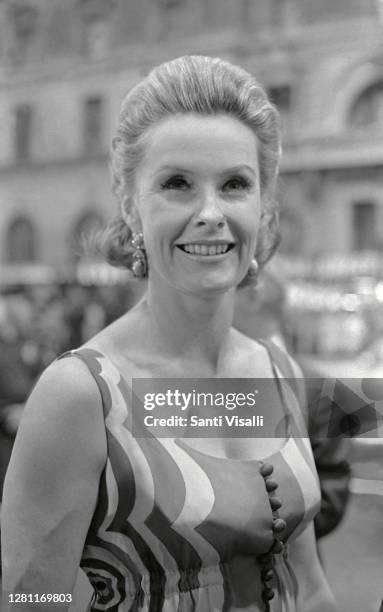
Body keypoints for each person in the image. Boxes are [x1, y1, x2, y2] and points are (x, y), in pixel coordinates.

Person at [1, 55, 337, 612]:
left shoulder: (278, 371)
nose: (210, 212)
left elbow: (310, 585)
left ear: (264, 204)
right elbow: (31, 600)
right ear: (132, 206)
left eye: (234, 184)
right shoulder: (80, 395)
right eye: (177, 184)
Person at [233, 271, 351, 543]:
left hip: (292, 564)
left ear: (251, 299)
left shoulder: (318, 387)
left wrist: (255, 532)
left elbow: (331, 495)